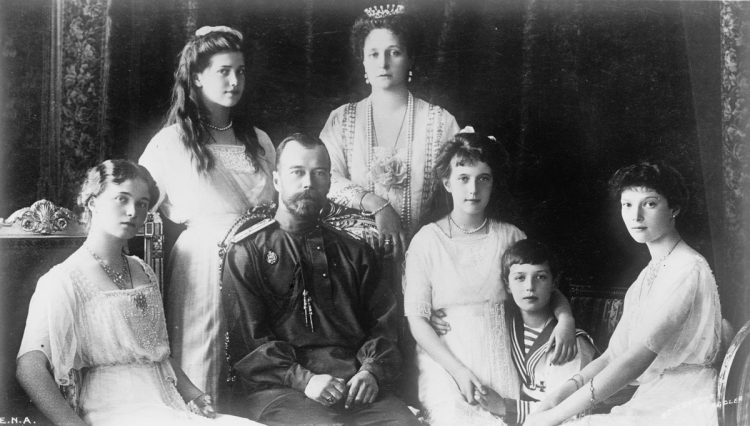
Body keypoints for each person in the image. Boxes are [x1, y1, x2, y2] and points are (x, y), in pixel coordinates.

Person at [15, 160, 257, 425]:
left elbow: (158, 353)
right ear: (92, 203)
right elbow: (29, 368)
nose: (133, 211)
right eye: (122, 199)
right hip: (111, 409)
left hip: (165, 402)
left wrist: (193, 393)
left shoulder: (143, 270)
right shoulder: (62, 280)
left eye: (142, 203)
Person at [220, 133, 420, 425]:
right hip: (280, 390)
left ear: (329, 182)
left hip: (355, 388)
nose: (308, 183)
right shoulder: (247, 252)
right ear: (277, 180)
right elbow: (249, 342)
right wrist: (305, 380)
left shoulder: (355, 251)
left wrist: (371, 372)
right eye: (297, 172)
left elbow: (384, 326)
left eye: (319, 173)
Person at [524, 161, 722, 426]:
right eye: (627, 204)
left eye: (649, 204)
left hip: (687, 403)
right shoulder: (646, 277)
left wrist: (556, 416)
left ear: (674, 207)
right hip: (654, 397)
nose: (636, 216)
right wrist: (557, 397)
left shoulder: (687, 269)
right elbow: (612, 356)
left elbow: (634, 362)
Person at [403, 131, 578, 426]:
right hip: (445, 361)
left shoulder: (510, 235)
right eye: (463, 178)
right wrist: (458, 372)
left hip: (502, 356)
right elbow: (417, 320)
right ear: (447, 183)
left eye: (483, 178)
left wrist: (566, 320)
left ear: (493, 183)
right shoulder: (427, 241)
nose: (473, 189)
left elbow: (543, 287)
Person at [139, 25, 275, 400]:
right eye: (223, 71)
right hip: (203, 264)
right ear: (197, 77)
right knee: (205, 356)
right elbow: (138, 206)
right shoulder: (171, 143)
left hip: (261, 262)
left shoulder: (260, 141)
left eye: (241, 71)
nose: (234, 80)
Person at [319, 4, 460, 258]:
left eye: (394, 52)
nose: (383, 63)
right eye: (373, 54)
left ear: (410, 58)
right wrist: (376, 204)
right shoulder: (342, 120)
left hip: (423, 254)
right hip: (353, 258)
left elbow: (463, 180)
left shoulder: (440, 122)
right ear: (363, 60)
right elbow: (326, 177)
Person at [472, 239, 598, 425]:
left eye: (540, 277)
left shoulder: (570, 342)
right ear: (507, 285)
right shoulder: (505, 326)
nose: (529, 286)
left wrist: (506, 407)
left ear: (554, 283)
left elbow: (568, 411)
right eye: (520, 278)